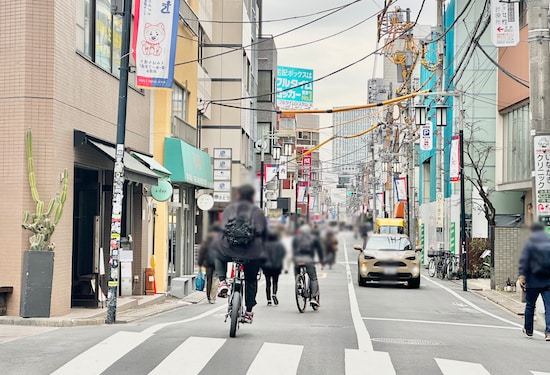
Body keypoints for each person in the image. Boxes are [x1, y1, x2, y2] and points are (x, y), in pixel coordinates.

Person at [215, 184, 267, 324]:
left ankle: (222, 282)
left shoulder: (230, 209)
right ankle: (249, 312)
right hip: (252, 253)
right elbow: (264, 233)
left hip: (229, 250)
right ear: (252, 197)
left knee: (217, 255)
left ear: (238, 195)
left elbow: (222, 229)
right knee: (251, 280)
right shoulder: (258, 212)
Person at [518, 223, 550, 340]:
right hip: (547, 281)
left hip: (532, 281)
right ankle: (549, 333)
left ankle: (529, 330)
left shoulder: (530, 244)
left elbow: (524, 261)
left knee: (530, 305)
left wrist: (522, 276)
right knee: (549, 307)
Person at [293, 224, 324, 307]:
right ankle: (313, 298)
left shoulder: (296, 238)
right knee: (313, 277)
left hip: (297, 260)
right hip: (309, 260)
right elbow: (319, 250)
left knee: (296, 271)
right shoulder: (313, 238)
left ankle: (298, 283)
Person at [197, 224, 222, 304]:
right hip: (218, 262)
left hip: (208, 262)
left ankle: (208, 296)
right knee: (216, 279)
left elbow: (202, 251)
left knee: (209, 280)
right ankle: (213, 297)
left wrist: (200, 263)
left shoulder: (207, 239)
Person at [262, 228, 286, 306]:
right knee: (275, 282)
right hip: (276, 266)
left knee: (268, 283)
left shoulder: (265, 245)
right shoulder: (279, 245)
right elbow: (283, 254)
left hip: (267, 266)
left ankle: (269, 300)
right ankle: (274, 294)